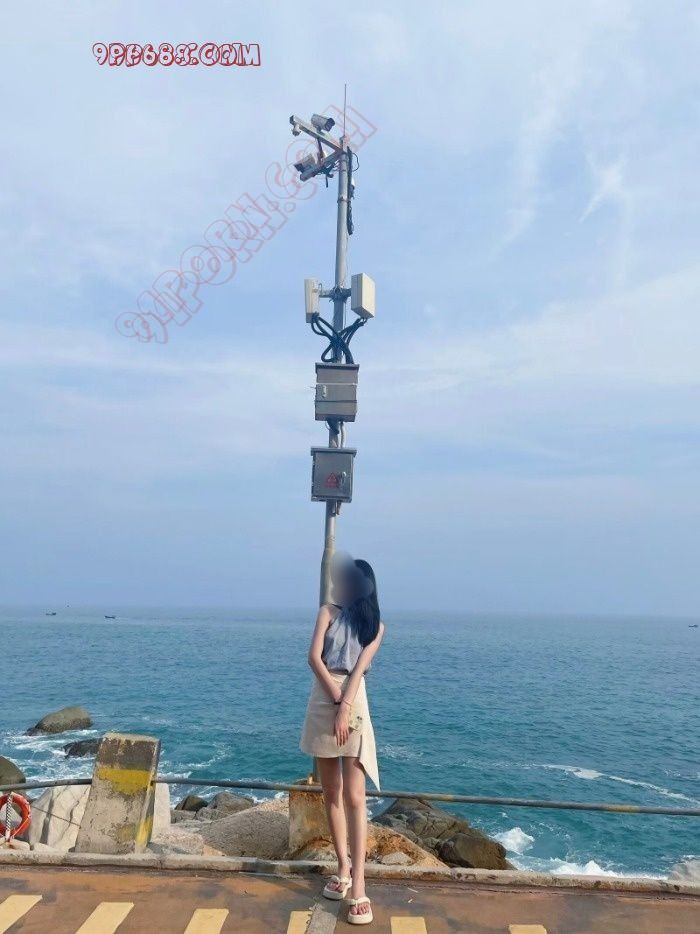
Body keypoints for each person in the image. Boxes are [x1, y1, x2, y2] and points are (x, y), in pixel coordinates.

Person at [299, 552, 385, 926]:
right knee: (330, 792)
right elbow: (313, 658)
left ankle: (359, 882)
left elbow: (361, 668)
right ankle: (343, 867)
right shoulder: (327, 613)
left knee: (355, 796)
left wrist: (344, 706)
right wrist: (335, 700)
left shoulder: (375, 626)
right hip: (324, 695)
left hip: (354, 696)